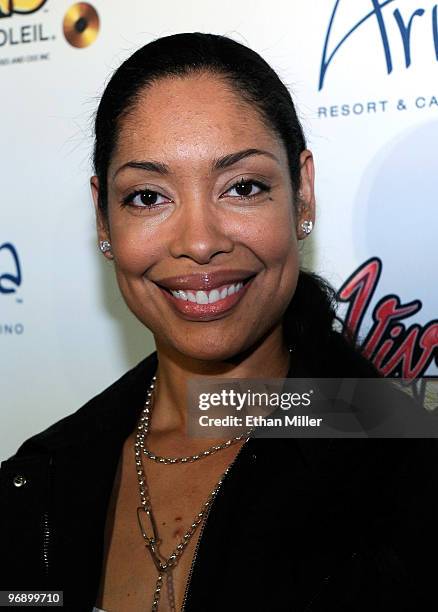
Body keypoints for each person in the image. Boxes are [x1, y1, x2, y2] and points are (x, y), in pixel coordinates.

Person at [1, 32, 437, 612]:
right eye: (147, 197)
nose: (200, 243)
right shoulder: (41, 481)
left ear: (302, 195)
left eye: (244, 187)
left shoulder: (406, 473)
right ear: (103, 220)